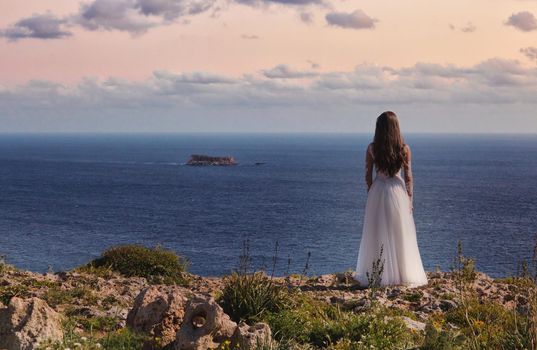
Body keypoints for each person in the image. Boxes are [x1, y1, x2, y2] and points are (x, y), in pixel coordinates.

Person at [355, 111, 428, 287]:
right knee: (400, 232)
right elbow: (409, 176)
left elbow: (367, 175)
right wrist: (410, 200)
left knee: (377, 232)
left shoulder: (372, 148)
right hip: (397, 192)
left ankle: (379, 274)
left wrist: (371, 193)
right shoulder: (404, 149)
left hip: (378, 191)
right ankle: (402, 274)